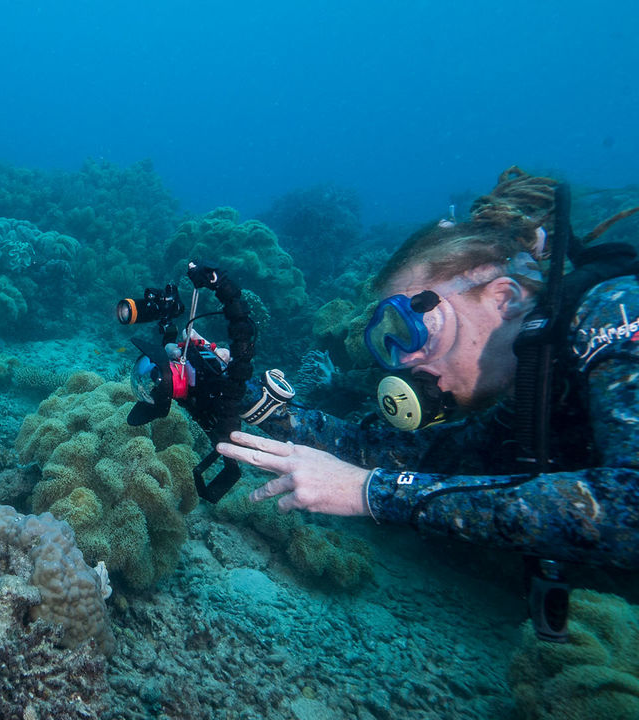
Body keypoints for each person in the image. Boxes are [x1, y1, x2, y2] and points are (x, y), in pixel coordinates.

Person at [215, 168, 639, 571]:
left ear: (504, 299)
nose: (406, 361)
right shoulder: (513, 397)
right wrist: (241, 389)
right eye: (388, 337)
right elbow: (374, 452)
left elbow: (628, 507)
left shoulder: (615, 313)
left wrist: (370, 493)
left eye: (415, 328)